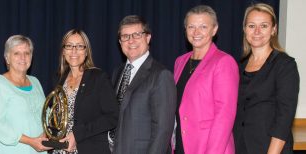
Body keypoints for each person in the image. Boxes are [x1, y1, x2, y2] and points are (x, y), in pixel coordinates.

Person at [233, 3, 300, 154]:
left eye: (263, 26)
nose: (257, 31)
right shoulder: (239, 66)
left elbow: (285, 117)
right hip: (240, 147)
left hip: (270, 149)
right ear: (244, 29)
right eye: (251, 26)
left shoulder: (285, 65)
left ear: (273, 29)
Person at [173, 5, 239, 154]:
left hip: (210, 147)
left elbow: (225, 115)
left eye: (203, 26)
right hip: (182, 144)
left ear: (214, 29)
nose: (196, 32)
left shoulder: (224, 62)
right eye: (191, 27)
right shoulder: (180, 61)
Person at [109, 15, 176, 154]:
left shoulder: (161, 75)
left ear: (148, 38)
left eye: (137, 35)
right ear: (120, 42)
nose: (131, 40)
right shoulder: (118, 72)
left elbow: (163, 130)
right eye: (125, 36)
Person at [49, 29, 119, 154]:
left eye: (79, 46)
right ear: (63, 51)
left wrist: (77, 134)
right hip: (59, 150)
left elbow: (113, 117)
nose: (74, 51)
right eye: (69, 46)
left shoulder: (98, 77)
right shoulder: (58, 78)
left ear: (86, 51)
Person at [0, 35, 51, 154]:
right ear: (7, 58)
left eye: (27, 53)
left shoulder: (35, 82)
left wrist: (45, 135)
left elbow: (46, 114)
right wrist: (31, 141)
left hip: (39, 150)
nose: (23, 57)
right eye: (16, 53)